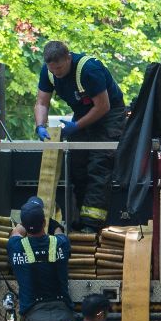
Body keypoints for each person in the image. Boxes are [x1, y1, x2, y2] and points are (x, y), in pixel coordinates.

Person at [33, 40, 126, 234]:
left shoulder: (89, 69)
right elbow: (42, 102)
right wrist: (40, 126)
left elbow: (103, 106)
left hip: (109, 116)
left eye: (59, 68)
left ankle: (93, 224)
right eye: (53, 69)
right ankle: (80, 219)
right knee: (78, 165)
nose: (57, 73)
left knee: (99, 164)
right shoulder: (48, 71)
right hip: (83, 113)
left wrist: (75, 126)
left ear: (68, 58)